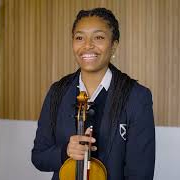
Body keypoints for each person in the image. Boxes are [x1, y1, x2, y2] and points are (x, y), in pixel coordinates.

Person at [31, 7, 155, 180]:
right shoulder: (57, 92)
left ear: (114, 46)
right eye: (80, 37)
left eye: (98, 37)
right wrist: (65, 152)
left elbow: (141, 173)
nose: (87, 45)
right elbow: (38, 157)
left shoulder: (137, 97)